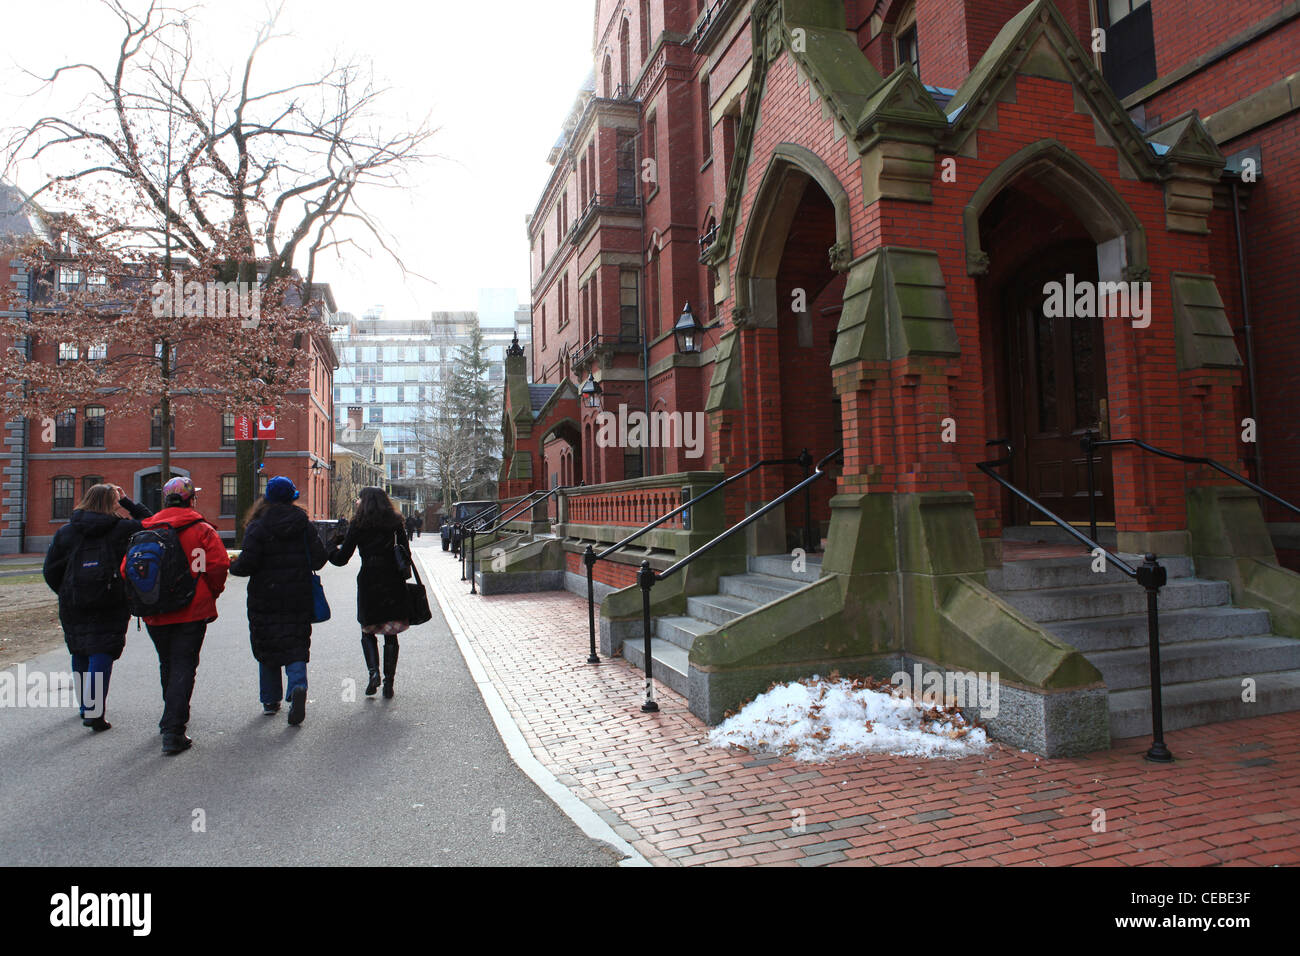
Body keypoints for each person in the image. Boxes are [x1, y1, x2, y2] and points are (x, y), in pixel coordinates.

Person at [123, 476, 229, 755]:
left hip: (154, 609)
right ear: (190, 499)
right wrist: (212, 592)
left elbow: (126, 569)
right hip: (191, 608)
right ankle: (173, 729)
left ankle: (169, 716)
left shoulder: (147, 528)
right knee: (184, 665)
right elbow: (218, 564)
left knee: (167, 663)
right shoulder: (201, 529)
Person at [42, 483, 152, 732]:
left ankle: (85, 707)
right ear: (111, 503)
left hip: (74, 600)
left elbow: (50, 569)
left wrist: (66, 590)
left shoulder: (66, 532)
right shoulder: (121, 529)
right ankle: (94, 710)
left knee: (80, 649)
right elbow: (151, 522)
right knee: (103, 649)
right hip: (110, 598)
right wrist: (128, 503)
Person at [229, 477, 327, 725]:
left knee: (267, 646)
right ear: (292, 497)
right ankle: (297, 687)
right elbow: (318, 560)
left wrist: (233, 566)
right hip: (298, 594)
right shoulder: (303, 524)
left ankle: (270, 700)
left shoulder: (257, 526)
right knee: (295, 644)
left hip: (265, 596)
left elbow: (247, 564)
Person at [328, 487, 411, 699]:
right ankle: (389, 682)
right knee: (390, 633)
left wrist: (331, 545)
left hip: (369, 580)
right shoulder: (395, 522)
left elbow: (341, 559)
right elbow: (405, 553)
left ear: (365, 502)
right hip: (392, 579)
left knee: (368, 629)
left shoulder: (359, 524)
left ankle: (373, 673)